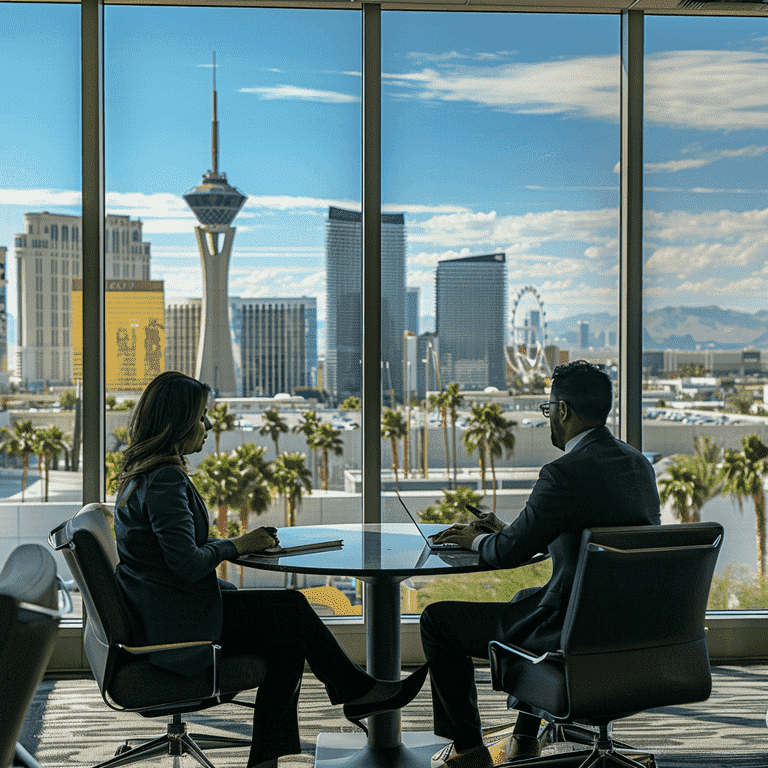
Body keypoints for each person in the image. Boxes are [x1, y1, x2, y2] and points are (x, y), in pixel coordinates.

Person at [113, 371, 428, 768]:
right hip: (180, 627)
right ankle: (355, 692)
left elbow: (170, 557)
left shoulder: (140, 475)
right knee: (292, 609)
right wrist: (238, 545)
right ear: (176, 423)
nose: (207, 426)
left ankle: (275, 754)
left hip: (164, 615)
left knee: (286, 638)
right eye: (200, 417)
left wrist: (233, 552)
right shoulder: (164, 480)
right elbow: (186, 564)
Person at [421, 360, 661, 768]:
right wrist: (512, 530)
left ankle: (468, 752)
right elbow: (593, 542)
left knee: (437, 621)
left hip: (573, 630)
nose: (548, 419)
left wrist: (477, 538)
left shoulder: (563, 473)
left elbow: (507, 554)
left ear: (563, 411)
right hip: (633, 627)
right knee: (527, 596)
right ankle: (524, 738)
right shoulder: (638, 465)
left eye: (548, 410)